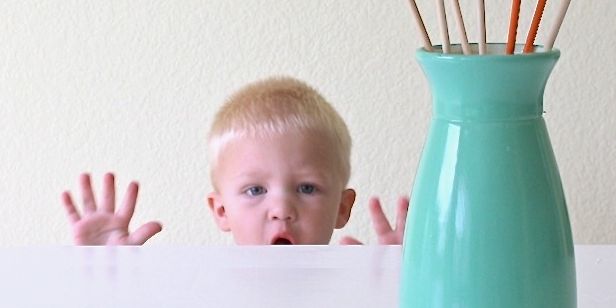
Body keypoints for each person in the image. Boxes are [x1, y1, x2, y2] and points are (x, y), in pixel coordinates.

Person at [62, 77, 407, 246]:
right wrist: (107, 278)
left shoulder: (360, 288)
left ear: (342, 209)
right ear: (221, 210)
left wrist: (411, 287)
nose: (281, 209)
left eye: (307, 188)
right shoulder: (198, 295)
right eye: (255, 189)